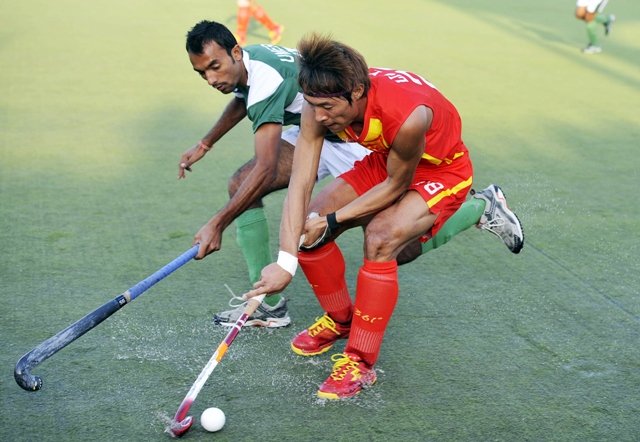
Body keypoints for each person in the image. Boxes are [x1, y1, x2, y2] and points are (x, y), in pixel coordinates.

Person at [180, 21, 523, 331]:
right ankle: (275, 306)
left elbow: (266, 166)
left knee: (394, 246)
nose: (211, 79)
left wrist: (219, 223)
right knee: (258, 193)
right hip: (323, 134)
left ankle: (479, 207)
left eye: (215, 67)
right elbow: (249, 102)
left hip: (359, 141)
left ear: (235, 53)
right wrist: (206, 143)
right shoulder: (263, 72)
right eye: (203, 73)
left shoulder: (278, 83)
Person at [244, 34, 524, 400]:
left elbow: (396, 186)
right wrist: (285, 258)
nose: (320, 116)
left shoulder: (406, 115)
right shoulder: (320, 103)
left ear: (357, 92)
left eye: (328, 107)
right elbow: (300, 182)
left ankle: (359, 362)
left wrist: (334, 222)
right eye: (314, 106)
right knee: (310, 222)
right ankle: (342, 319)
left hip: (441, 170)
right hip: (387, 158)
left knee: (381, 238)